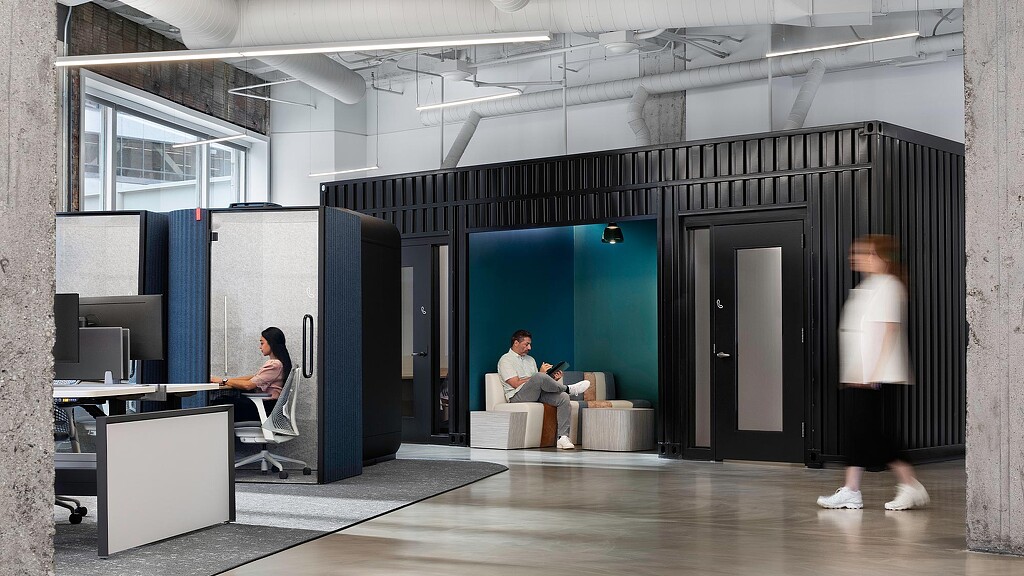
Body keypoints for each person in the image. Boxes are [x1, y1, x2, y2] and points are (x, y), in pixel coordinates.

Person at [817, 235, 929, 511]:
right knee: (857, 433)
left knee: (871, 435)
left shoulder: (889, 286)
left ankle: (911, 485)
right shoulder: (869, 286)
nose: (857, 257)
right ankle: (852, 490)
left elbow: (888, 330)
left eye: (866, 253)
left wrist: (871, 374)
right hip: (860, 375)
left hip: (875, 376)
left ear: (883, 258)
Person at [497, 329, 591, 450]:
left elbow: (538, 383)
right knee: (539, 375)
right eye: (526, 344)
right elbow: (515, 383)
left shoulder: (530, 360)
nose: (529, 347)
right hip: (517, 396)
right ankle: (568, 388)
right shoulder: (505, 360)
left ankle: (562, 437)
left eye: (530, 344)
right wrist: (541, 375)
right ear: (516, 343)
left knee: (563, 397)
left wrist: (552, 378)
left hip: (535, 394)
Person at [210, 326, 293, 423]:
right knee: (224, 401)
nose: (260, 347)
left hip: (265, 409)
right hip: (267, 408)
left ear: (271, 343)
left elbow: (248, 385)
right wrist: (229, 380)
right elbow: (253, 377)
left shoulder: (274, 365)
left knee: (221, 402)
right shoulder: (278, 364)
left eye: (262, 343)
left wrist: (223, 381)